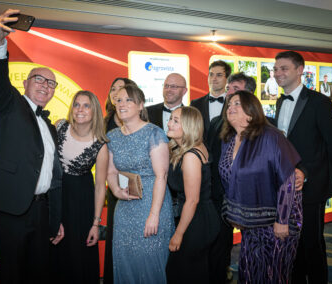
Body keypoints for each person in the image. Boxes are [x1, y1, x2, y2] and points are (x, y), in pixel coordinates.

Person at [0, 9, 63, 283]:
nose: (45, 85)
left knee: (38, 275)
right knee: (10, 275)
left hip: (42, 213)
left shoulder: (50, 126)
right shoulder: (10, 105)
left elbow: (54, 176)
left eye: (50, 83)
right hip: (11, 211)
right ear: (24, 82)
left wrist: (55, 219)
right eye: (39, 79)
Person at [273, 51, 332, 283]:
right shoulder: (279, 101)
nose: (277, 73)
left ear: (300, 70)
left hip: (311, 189)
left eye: (283, 68)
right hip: (284, 185)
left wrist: (313, 175)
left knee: (312, 244)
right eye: (275, 69)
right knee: (292, 242)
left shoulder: (319, 102)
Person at [219, 90, 302, 283]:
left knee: (274, 273)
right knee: (251, 269)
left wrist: (282, 220)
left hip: (277, 223)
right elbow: (230, 180)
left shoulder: (271, 137)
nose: (231, 107)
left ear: (251, 110)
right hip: (249, 222)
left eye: (237, 104)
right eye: (229, 104)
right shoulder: (229, 139)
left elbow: (288, 179)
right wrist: (234, 214)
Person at [106, 84, 174, 283]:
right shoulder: (112, 137)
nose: (122, 104)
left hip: (153, 204)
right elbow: (110, 171)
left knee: (149, 263)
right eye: (118, 100)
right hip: (125, 208)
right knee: (124, 262)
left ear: (140, 105)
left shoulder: (154, 133)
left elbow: (161, 176)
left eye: (128, 100)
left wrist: (154, 215)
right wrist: (118, 192)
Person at [51, 90, 108, 283]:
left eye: (86, 105)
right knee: (52, 253)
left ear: (95, 111)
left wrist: (95, 224)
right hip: (54, 196)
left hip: (80, 203)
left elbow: (100, 187)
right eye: (76, 104)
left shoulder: (101, 144)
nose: (80, 109)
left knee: (77, 257)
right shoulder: (59, 127)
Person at [206, 72, 256, 283]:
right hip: (220, 197)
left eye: (236, 90)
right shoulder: (218, 122)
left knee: (255, 250)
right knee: (220, 244)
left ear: (250, 96)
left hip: (255, 201)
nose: (229, 94)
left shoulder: (265, 129)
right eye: (229, 89)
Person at [165, 106, 219, 284]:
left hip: (196, 221)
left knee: (181, 272)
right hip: (201, 217)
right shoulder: (190, 147)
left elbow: (192, 200)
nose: (169, 123)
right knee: (195, 272)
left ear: (188, 126)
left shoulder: (190, 156)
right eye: (170, 118)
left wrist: (179, 233)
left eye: (175, 120)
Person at [103, 77, 137, 284]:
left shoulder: (141, 121)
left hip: (137, 187)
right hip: (113, 186)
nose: (116, 93)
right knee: (115, 236)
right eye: (113, 89)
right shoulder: (103, 122)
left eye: (121, 89)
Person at [191, 60, 232, 140]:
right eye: (211, 75)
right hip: (199, 151)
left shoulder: (233, 105)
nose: (214, 78)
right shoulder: (195, 104)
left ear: (227, 79)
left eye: (219, 75)